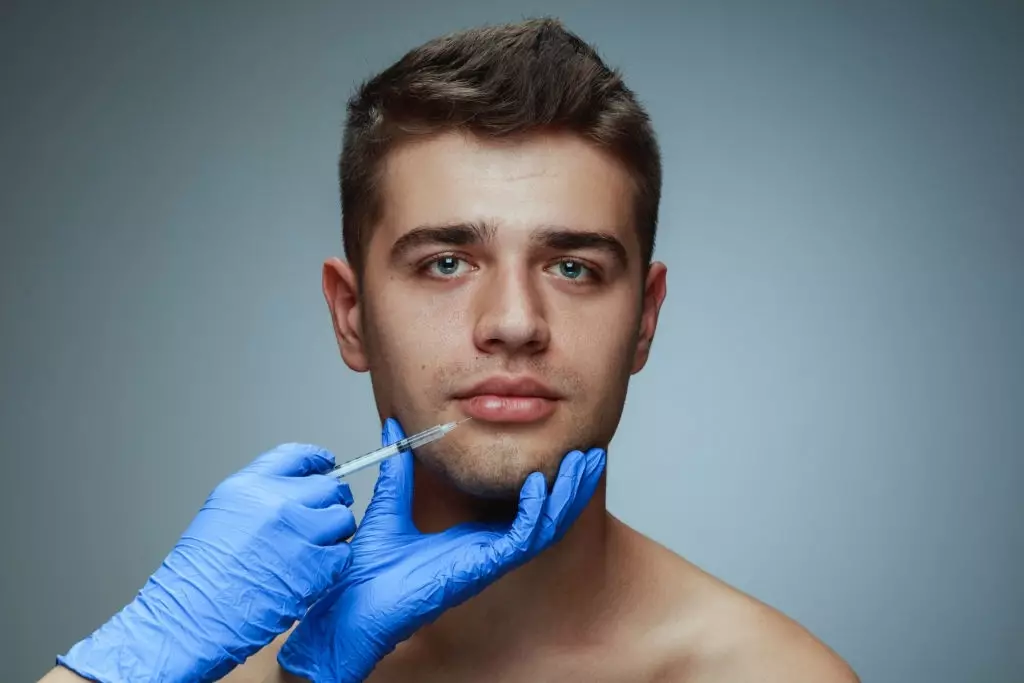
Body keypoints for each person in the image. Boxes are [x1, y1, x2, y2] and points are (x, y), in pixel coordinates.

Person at [43, 16, 859, 683]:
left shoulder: (768, 673)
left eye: (573, 266)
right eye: (446, 263)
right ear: (351, 315)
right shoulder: (234, 673)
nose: (512, 321)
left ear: (644, 319)